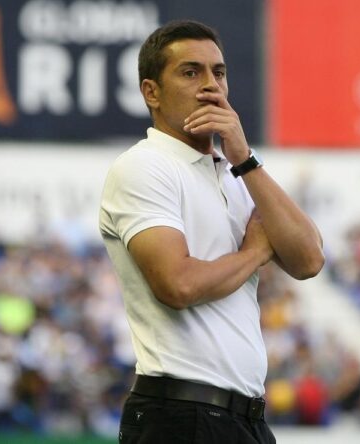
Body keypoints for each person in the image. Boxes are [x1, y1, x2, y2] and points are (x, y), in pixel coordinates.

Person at [99, 19, 324, 443]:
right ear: (151, 92)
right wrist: (254, 253)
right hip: (180, 413)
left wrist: (244, 156)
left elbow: (310, 259)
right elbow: (178, 285)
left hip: (245, 419)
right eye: (190, 72)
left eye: (218, 73)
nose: (210, 86)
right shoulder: (144, 166)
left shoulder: (237, 174)